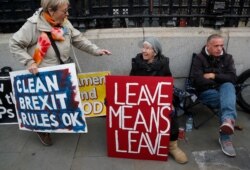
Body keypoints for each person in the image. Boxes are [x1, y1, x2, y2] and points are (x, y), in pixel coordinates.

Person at [9, 0, 111, 146]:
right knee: (46, 106)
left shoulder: (64, 22)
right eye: (64, 11)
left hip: (63, 69)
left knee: (66, 99)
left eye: (67, 9)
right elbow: (14, 44)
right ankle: (42, 129)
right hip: (45, 74)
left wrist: (96, 50)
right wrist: (29, 62)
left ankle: (70, 120)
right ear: (51, 11)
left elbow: (78, 39)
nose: (67, 14)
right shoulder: (33, 26)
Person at [130, 37, 188, 164]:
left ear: (155, 52)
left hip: (158, 99)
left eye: (147, 48)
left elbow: (168, 85)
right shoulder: (136, 63)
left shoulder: (164, 64)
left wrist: (170, 103)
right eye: (143, 47)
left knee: (170, 116)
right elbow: (130, 82)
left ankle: (172, 147)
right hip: (141, 99)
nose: (143, 50)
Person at [190, 34, 237, 157]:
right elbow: (197, 80)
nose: (219, 48)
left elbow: (232, 78)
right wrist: (219, 80)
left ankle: (227, 122)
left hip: (223, 89)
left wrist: (213, 75)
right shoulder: (199, 59)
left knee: (228, 86)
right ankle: (226, 135)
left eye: (221, 45)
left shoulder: (228, 58)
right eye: (216, 46)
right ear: (208, 46)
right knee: (227, 98)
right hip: (206, 92)